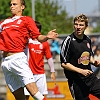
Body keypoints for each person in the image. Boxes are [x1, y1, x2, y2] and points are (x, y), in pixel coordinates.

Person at [0, 0, 58, 100]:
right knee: (20, 98)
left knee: (35, 94)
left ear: (22, 7)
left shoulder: (27, 20)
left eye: (14, 4)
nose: (11, 6)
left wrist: (47, 37)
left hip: (18, 59)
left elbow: (38, 37)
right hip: (5, 62)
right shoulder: (3, 22)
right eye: (11, 4)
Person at [60, 14, 100, 100]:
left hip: (91, 79)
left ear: (86, 27)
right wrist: (81, 71)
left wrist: (95, 62)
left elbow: (89, 56)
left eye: (81, 25)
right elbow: (64, 63)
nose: (78, 27)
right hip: (76, 82)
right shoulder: (69, 41)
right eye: (76, 24)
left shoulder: (87, 39)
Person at [24, 21, 56, 100]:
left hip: (40, 74)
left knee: (40, 97)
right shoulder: (27, 41)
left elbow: (49, 57)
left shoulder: (44, 43)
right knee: (25, 96)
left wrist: (52, 72)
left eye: (36, 29)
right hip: (28, 73)